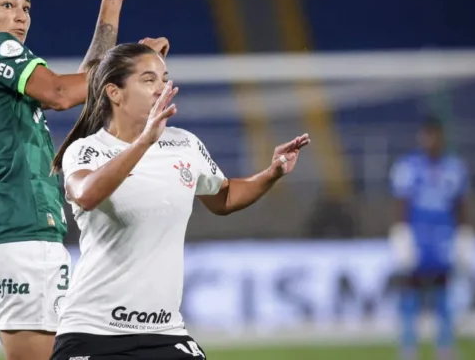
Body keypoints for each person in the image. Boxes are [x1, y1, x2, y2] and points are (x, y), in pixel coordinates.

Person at [0, 0, 169, 360]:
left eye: (26, 8)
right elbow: (64, 93)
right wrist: (136, 67)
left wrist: (111, 3)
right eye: (8, 5)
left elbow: (84, 83)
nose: (21, 16)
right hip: (19, 234)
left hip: (2, 237)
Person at [49, 43, 310, 360]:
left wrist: (271, 173)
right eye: (148, 80)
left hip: (165, 331)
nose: (162, 87)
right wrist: (144, 141)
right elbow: (86, 195)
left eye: (164, 78)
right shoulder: (87, 150)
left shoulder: (184, 145)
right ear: (114, 93)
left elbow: (224, 198)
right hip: (94, 332)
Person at [389, 116, 475, 360]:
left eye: (434, 135)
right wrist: (401, 232)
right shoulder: (408, 166)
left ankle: (445, 346)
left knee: (444, 291)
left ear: (441, 136)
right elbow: (401, 202)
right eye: (426, 135)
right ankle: (408, 346)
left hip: (444, 236)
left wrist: (464, 233)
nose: (430, 140)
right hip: (417, 235)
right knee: (411, 289)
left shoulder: (454, 167)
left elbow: (460, 204)